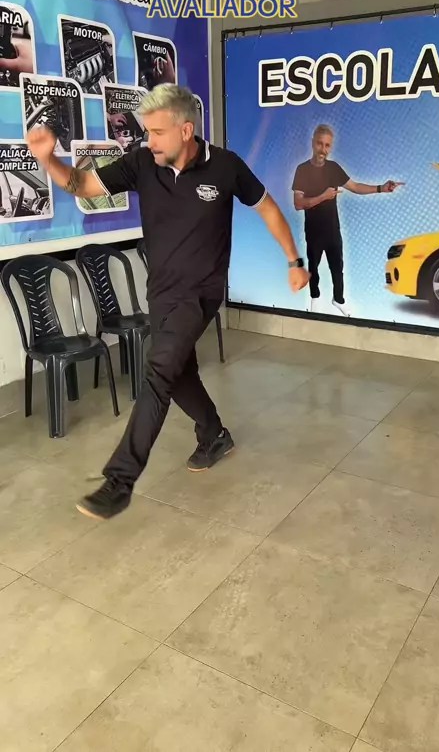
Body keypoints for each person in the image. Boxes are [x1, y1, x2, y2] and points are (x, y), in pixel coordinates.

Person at [27, 83, 310, 521]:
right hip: (160, 291)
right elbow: (83, 185)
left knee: (158, 372)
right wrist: (48, 160)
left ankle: (120, 481)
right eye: (147, 132)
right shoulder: (142, 163)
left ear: (186, 130)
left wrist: (294, 260)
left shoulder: (226, 166)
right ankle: (214, 434)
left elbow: (269, 208)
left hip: (201, 292)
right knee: (178, 374)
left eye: (157, 132)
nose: (150, 141)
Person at [292, 124, 404, 317]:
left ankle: (339, 300)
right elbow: (298, 203)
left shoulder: (334, 168)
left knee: (338, 268)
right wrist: (323, 197)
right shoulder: (302, 170)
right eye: (319, 144)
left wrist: (381, 188)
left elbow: (356, 187)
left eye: (327, 145)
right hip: (313, 231)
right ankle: (315, 298)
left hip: (333, 230)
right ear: (312, 143)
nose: (323, 149)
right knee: (314, 267)